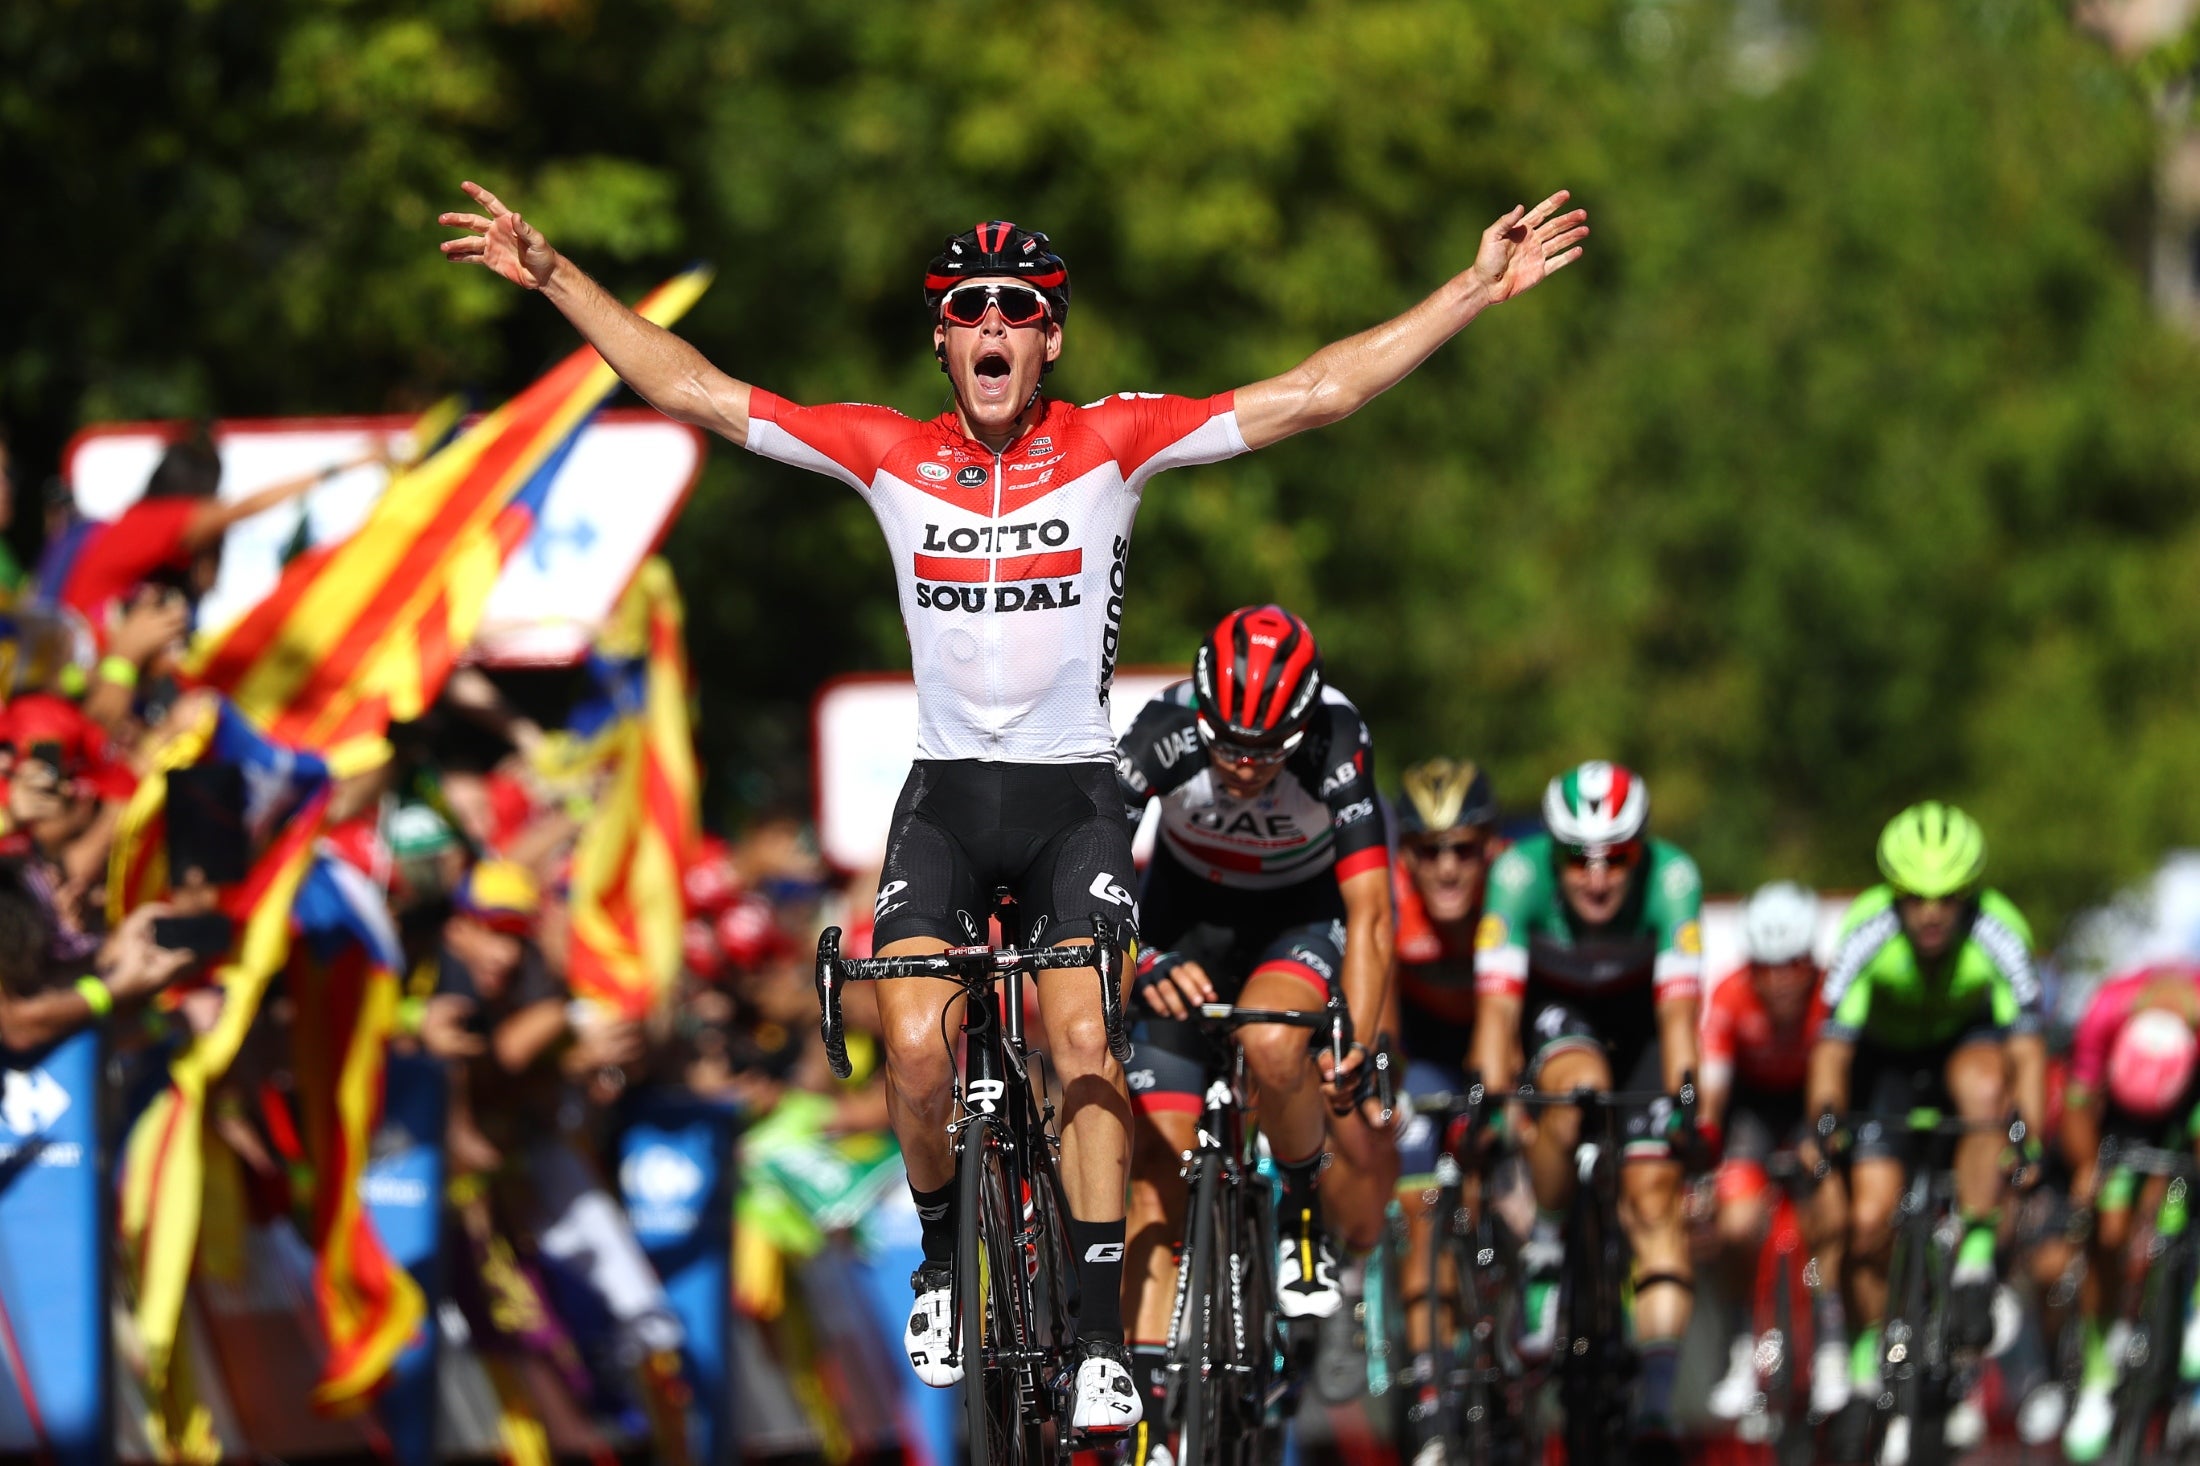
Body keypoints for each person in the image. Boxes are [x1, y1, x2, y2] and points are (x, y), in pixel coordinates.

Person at [440, 175, 1587, 1432]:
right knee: (917, 1041)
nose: (993, 324)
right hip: (941, 795)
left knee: (1083, 1038)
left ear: (1049, 339)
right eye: (968, 307)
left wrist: (1472, 288)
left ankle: (1099, 1333)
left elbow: (1317, 390)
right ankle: (944, 1259)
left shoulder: (1109, 440)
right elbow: (695, 390)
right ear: (943, 339)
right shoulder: (890, 452)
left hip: (1071, 797)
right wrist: (555, 277)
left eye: (1019, 309)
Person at [1112, 606, 1393, 1458]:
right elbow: (1087, 867)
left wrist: (1359, 1038)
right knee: (1154, 1165)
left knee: (1277, 1047)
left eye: (1264, 752)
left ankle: (1301, 1218)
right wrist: (1144, 959)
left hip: (1292, 923)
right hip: (1181, 920)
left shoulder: (1337, 741)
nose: (1241, 767)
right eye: (1228, 743)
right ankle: (1152, 1409)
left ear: (1300, 726)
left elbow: (1371, 913)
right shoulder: (1162, 731)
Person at [1469, 760, 1703, 1449]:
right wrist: (1490, 1100)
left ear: (1642, 850)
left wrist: (1688, 1110)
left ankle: (1657, 1405)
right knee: (1576, 1089)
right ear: (1553, 852)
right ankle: (1545, 1248)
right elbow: (1495, 1013)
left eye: (1616, 857)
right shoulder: (1515, 877)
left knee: (1656, 1198)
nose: (1596, 878)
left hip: (1643, 1026)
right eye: (1577, 859)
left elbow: (1682, 1023)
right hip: (1560, 1015)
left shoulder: (1675, 879)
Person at [1803, 801, 2046, 1458]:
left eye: (1947, 899)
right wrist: (1825, 1122)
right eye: (1915, 899)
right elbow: (1831, 1053)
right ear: (1894, 894)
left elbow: (2027, 1054)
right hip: (1885, 1063)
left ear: (1969, 895)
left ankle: (1971, 1259)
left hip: (1968, 1052)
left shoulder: (2000, 930)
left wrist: (2029, 1142)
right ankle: (1862, 1353)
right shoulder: (1865, 930)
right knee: (1868, 1221)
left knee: (1984, 1085)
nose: (1932, 914)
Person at [1699, 881, 1847, 1424]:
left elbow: (1835, 1080)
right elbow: (1713, 1091)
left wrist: (1822, 1139)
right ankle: (1742, 1342)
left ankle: (1830, 1333)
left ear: (1812, 962)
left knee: (1830, 1207)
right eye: (1766, 967)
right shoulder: (1730, 994)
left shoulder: (1833, 995)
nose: (1780, 981)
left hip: (1813, 1103)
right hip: (1752, 1110)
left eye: (1792, 966)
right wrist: (1704, 1151)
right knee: (1736, 1226)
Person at [2056, 962, 2200, 1461]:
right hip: (2120, 1117)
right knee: (2108, 1229)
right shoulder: (2104, 1015)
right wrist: (2085, 1172)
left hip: (2192, 1103)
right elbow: (2076, 1104)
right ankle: (2100, 1369)